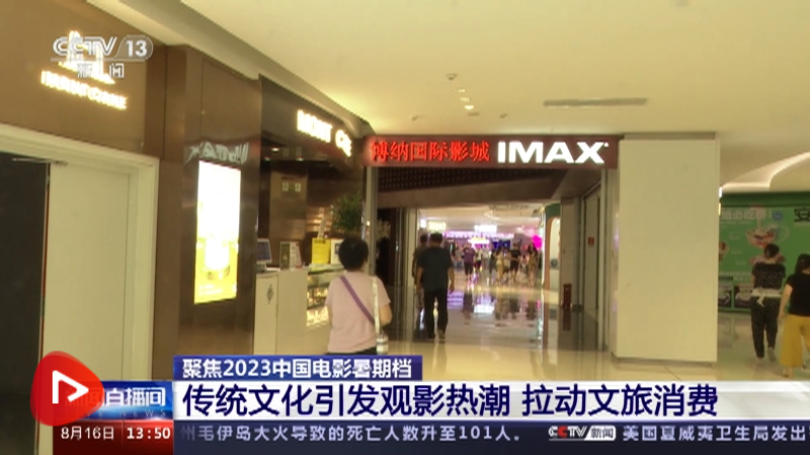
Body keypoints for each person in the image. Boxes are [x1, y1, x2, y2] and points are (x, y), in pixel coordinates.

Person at [326, 237, 392, 355]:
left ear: (341, 259)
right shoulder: (375, 283)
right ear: (365, 260)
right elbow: (386, 317)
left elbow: (331, 319)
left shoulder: (334, 284)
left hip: (336, 350)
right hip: (367, 349)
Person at [750, 243, 786, 363]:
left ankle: (759, 354)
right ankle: (771, 345)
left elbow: (753, 280)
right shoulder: (781, 268)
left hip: (758, 298)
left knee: (757, 326)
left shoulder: (758, 266)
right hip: (773, 298)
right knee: (772, 324)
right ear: (777, 254)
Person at [416, 232, 455, 341]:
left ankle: (430, 332)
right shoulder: (445, 253)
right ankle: (441, 328)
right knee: (442, 308)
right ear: (441, 241)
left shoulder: (425, 253)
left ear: (430, 240)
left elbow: (420, 269)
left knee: (428, 309)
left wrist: (418, 283)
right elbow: (450, 269)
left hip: (428, 284)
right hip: (442, 284)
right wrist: (452, 282)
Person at [778, 254, 810, 378]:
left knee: (791, 343)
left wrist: (781, 310)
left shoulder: (793, 278)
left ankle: (789, 371)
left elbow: (786, 294)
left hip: (794, 315)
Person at [412, 234, 428, 309]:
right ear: (426, 240)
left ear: (420, 240)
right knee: (426, 286)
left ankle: (419, 300)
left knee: (418, 285)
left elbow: (414, 260)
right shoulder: (429, 249)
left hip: (418, 270)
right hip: (427, 270)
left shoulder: (417, 249)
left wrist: (412, 270)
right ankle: (425, 299)